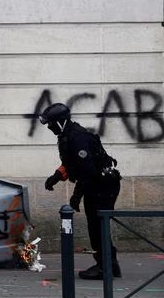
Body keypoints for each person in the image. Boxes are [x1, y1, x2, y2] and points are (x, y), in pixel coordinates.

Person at [40, 102, 123, 279]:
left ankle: (104, 266)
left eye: (51, 123)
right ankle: (111, 265)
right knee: (97, 225)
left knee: (97, 226)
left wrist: (76, 196)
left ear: (61, 121)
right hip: (97, 184)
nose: (49, 128)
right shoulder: (68, 136)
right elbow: (72, 163)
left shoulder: (78, 138)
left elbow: (88, 173)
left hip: (103, 185)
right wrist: (56, 176)